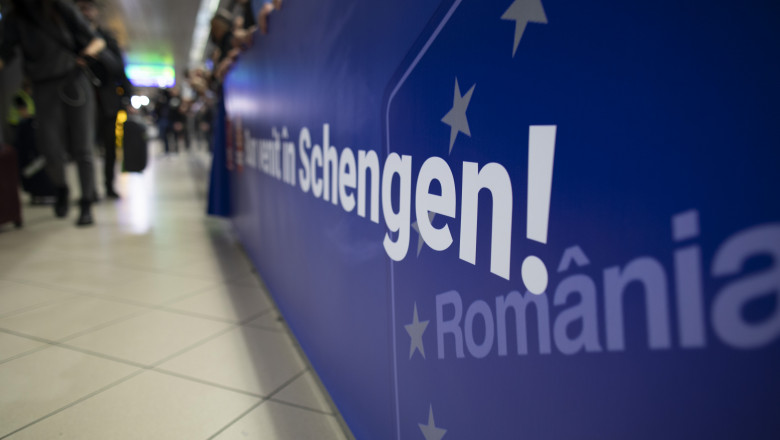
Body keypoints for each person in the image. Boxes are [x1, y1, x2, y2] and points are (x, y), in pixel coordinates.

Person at [0, 0, 106, 226]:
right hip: (43, 85)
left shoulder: (60, 8)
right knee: (49, 147)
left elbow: (97, 41)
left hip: (75, 80)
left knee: (82, 146)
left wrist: (86, 55)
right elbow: (5, 51)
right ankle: (61, 188)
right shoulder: (15, 17)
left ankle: (86, 202)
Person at [75, 0, 131, 199]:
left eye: (89, 7)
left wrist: (127, 97)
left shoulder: (106, 38)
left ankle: (109, 185)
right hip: (80, 100)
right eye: (82, 8)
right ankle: (88, 190)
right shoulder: (73, 38)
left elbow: (119, 69)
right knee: (84, 147)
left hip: (106, 102)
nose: (86, 12)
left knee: (109, 147)